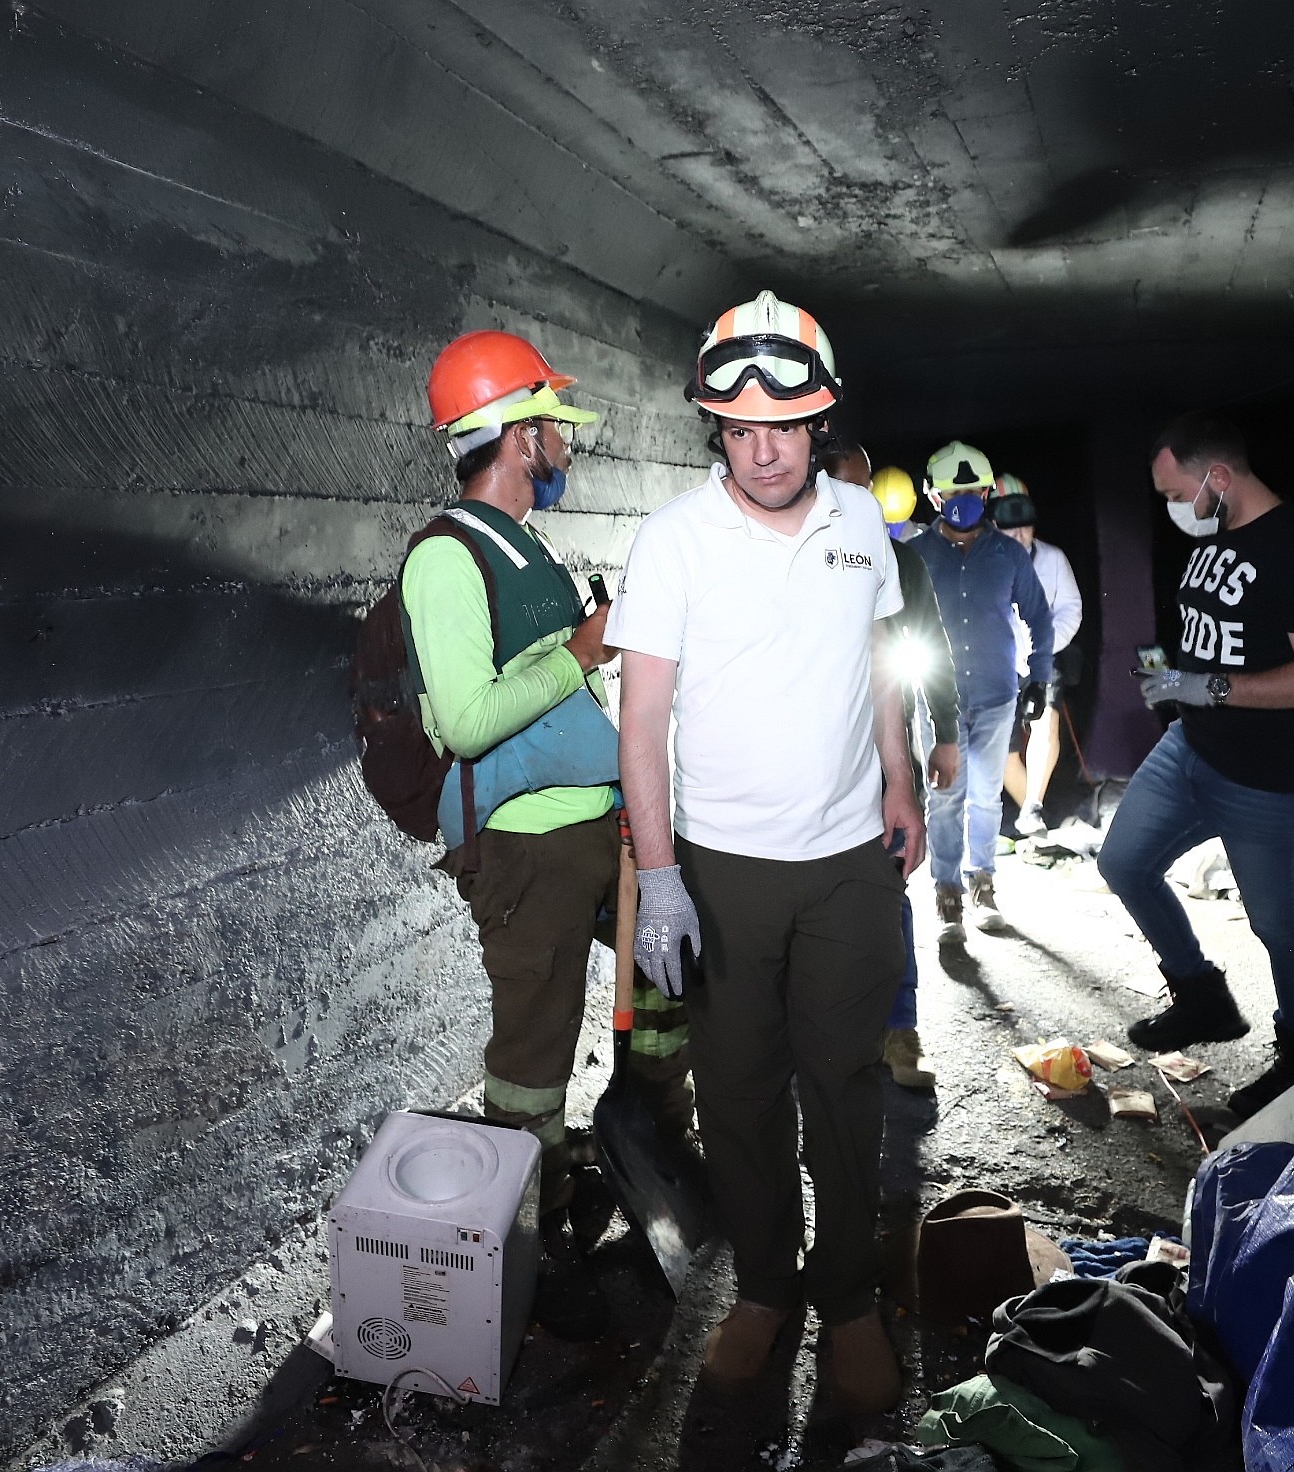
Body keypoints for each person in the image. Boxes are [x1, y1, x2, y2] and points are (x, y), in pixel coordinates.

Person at [605, 291, 923, 1412]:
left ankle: (846, 1299)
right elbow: (642, 720)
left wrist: (900, 775)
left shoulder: (858, 525)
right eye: (738, 429)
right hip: (722, 866)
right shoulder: (675, 540)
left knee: (843, 1084)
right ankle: (766, 1288)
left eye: (782, 426)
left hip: (846, 862)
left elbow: (881, 665)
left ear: (819, 420)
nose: (762, 448)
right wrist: (656, 878)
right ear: (715, 429)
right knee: (739, 1090)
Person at [404, 330, 690, 1253]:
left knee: (676, 971)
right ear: (520, 436)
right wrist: (580, 650)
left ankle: (648, 1137)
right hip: (525, 851)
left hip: (597, 826)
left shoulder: (526, 545)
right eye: (554, 424)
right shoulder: (445, 558)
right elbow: (466, 722)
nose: (567, 442)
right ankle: (530, 1239)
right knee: (534, 1055)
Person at [1095, 413, 1294, 1121]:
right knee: (1123, 862)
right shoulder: (1216, 538)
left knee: (1278, 923)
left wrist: (1205, 687)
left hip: (1267, 775)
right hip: (1193, 747)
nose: (1173, 509)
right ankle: (1203, 996)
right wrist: (1181, 678)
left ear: (1218, 478)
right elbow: (1232, 643)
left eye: (1178, 493)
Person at [824, 444, 961, 1089]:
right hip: (814, 770)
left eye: (863, 492)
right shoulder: (794, 560)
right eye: (841, 489)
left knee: (888, 894)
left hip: (885, 764)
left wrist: (947, 735)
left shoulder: (900, 562)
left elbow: (929, 646)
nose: (856, 506)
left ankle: (899, 1031)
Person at [912, 441, 1054, 938]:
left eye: (972, 491)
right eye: (954, 491)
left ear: (988, 493)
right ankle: (947, 892)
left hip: (996, 695)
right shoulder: (915, 557)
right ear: (934, 497)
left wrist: (1039, 675)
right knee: (946, 796)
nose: (964, 499)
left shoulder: (1009, 554)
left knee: (988, 797)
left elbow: (1039, 616)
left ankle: (984, 883)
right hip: (935, 704)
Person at [991, 474, 1085, 837]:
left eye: (1024, 527)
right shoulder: (980, 563)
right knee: (1000, 747)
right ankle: (1031, 814)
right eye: (1009, 527)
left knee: (1045, 721)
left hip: (1044, 658)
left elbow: (1070, 609)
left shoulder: (1052, 559)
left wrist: (1043, 645)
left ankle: (1032, 807)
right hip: (998, 666)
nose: (1018, 536)